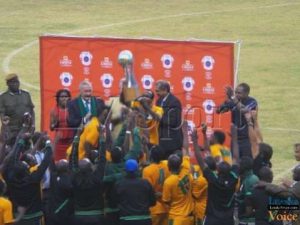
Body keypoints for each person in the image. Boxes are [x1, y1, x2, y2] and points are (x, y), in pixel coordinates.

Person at [191, 126, 239, 225]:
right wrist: (234, 138)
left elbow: (201, 160)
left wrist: (194, 141)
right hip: (228, 221)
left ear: (217, 170)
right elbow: (235, 158)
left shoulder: (213, 180)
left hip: (212, 220)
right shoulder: (233, 178)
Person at [217, 83, 258, 158]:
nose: (236, 94)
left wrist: (233, 98)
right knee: (235, 161)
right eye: (235, 92)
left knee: (247, 161)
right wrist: (226, 103)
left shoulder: (252, 101)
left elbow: (244, 110)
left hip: (247, 139)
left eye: (239, 93)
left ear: (247, 93)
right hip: (235, 139)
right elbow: (218, 111)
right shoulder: (233, 101)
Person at [113, 159, 156, 225]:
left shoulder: (119, 184)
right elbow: (153, 202)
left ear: (125, 170)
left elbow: (114, 202)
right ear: (137, 169)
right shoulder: (146, 183)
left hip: (126, 220)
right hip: (144, 220)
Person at [0, 73, 35, 145]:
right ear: (8, 84)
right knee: (12, 152)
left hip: (26, 129)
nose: (16, 84)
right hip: (11, 131)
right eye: (13, 82)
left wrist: (33, 125)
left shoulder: (26, 94)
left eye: (17, 82)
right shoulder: (3, 97)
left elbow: (31, 110)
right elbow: (2, 115)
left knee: (26, 150)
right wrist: (6, 130)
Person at [162, 154, 195, 225]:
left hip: (176, 218)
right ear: (180, 165)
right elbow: (186, 159)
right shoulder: (187, 172)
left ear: (168, 167)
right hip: (190, 218)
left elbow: (166, 200)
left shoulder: (168, 182)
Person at [142, 145, 170, 225]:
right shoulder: (167, 165)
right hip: (166, 207)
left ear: (151, 156)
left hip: (154, 209)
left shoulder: (147, 170)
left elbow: (148, 191)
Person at [155, 80, 183, 159]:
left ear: (165, 90)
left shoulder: (174, 102)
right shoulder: (158, 101)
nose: (156, 93)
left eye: (158, 91)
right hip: (161, 141)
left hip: (172, 142)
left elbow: (173, 121)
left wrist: (158, 117)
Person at [50, 89, 73, 161]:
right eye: (62, 97)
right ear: (58, 98)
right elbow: (51, 127)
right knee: (59, 162)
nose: (64, 98)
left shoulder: (73, 109)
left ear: (69, 98)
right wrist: (55, 124)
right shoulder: (54, 111)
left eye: (66, 96)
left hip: (71, 140)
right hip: (59, 141)